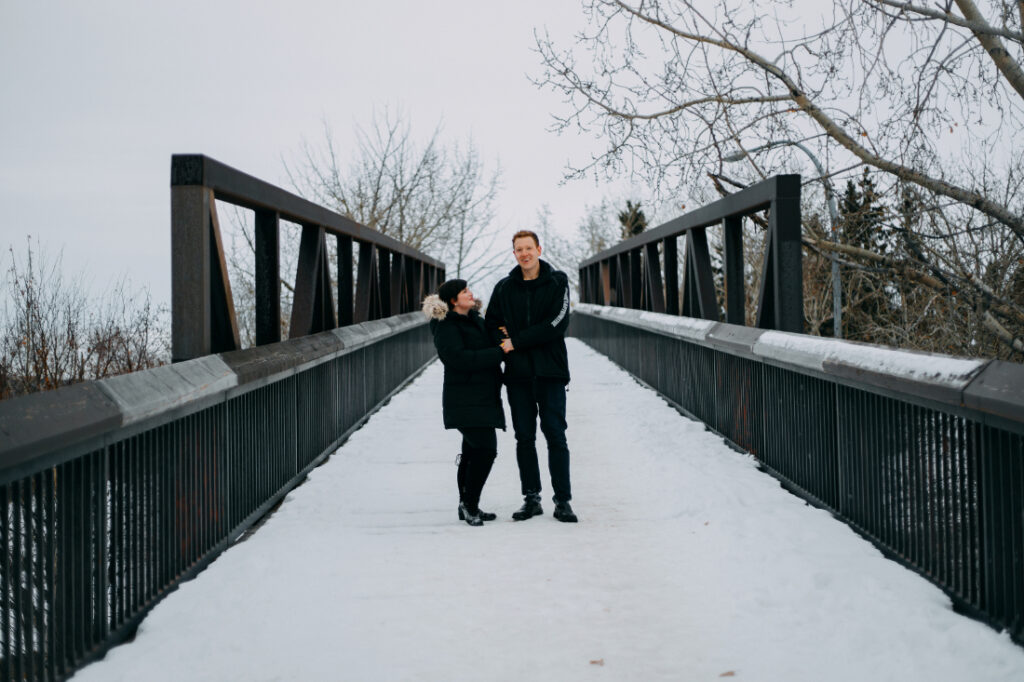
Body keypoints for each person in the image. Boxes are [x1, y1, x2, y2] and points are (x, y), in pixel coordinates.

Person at [486, 230, 577, 523]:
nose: (524, 254)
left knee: (555, 436)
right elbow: (492, 323)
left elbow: (557, 324)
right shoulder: (504, 288)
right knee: (524, 438)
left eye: (528, 248)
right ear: (514, 253)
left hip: (551, 372)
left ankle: (563, 501)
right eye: (518, 249)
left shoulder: (557, 281)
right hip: (518, 375)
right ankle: (531, 498)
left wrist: (517, 341)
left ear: (538, 249)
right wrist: (505, 341)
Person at [423, 279, 509, 527]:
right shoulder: (446, 325)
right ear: (453, 300)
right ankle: (469, 504)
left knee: (473, 451)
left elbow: (494, 340)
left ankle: (468, 505)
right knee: (486, 450)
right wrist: (498, 353)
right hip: (464, 397)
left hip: (483, 395)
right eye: (464, 291)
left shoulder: (476, 320)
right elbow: (456, 359)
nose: (470, 293)